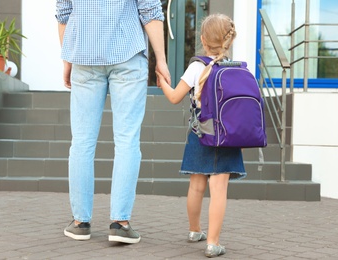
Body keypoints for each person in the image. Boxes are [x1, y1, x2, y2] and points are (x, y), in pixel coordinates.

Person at [55, 0, 170, 243]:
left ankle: (80, 223)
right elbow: (150, 11)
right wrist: (160, 59)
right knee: (127, 140)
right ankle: (120, 223)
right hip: (127, 56)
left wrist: (67, 60)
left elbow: (64, 14)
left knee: (82, 142)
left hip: (84, 59)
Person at [156, 14, 246, 257]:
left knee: (196, 186)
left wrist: (161, 81)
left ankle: (195, 230)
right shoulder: (234, 69)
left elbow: (175, 97)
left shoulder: (197, 66)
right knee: (219, 189)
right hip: (227, 137)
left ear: (203, 40)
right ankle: (213, 243)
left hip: (200, 134)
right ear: (228, 41)